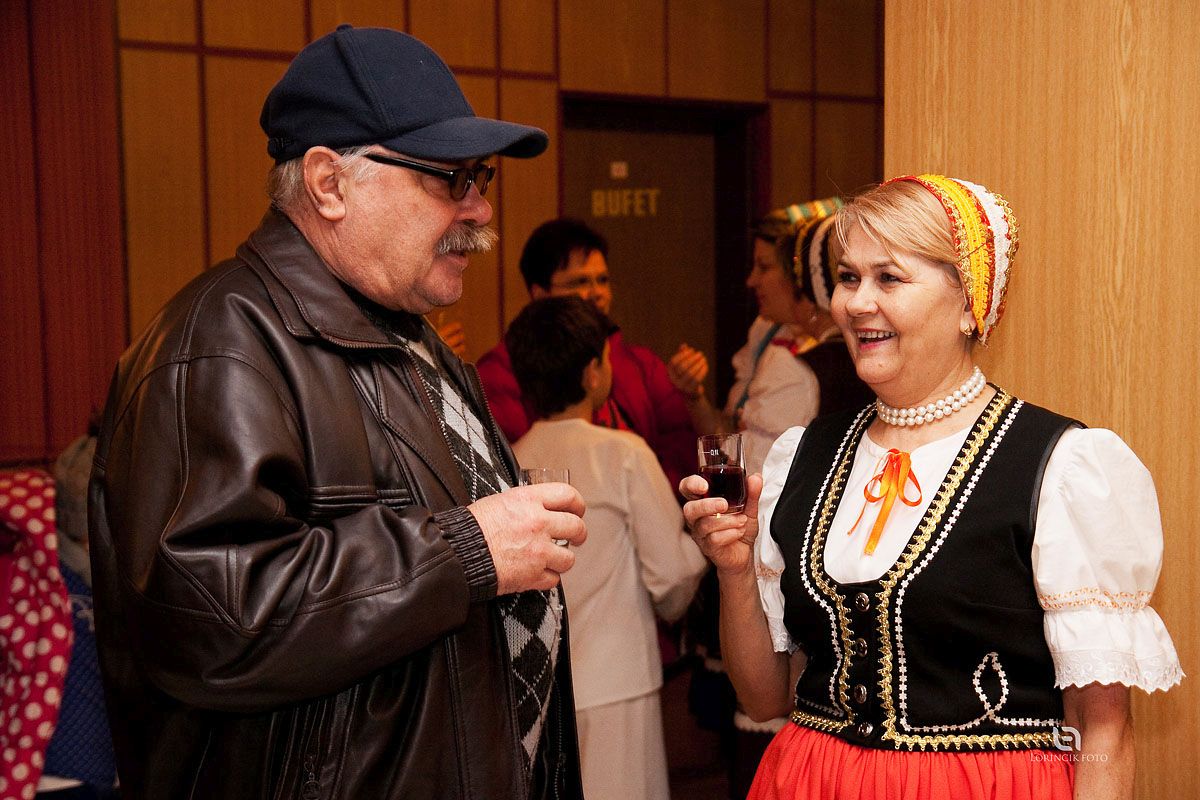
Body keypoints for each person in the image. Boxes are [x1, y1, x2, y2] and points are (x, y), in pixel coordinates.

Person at [88, 26, 588, 800]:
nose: (481, 208)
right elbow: (213, 626)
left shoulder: (409, 336)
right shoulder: (221, 346)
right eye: (451, 178)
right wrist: (465, 551)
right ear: (329, 183)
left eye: (481, 176)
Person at [681, 175, 1183, 800]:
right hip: (810, 781)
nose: (856, 303)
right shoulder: (802, 456)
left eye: (889, 278)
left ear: (971, 303)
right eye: (848, 277)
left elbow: (1103, 732)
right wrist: (733, 568)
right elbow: (764, 698)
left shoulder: (1059, 467)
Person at [506, 296, 707, 800]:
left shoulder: (510, 462)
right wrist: (705, 542)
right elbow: (672, 576)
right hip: (618, 679)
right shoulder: (622, 453)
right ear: (593, 372)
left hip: (533, 684)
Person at [477, 217, 717, 490]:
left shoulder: (640, 363)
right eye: (579, 282)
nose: (596, 293)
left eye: (602, 280)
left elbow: (681, 449)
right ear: (540, 293)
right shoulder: (501, 370)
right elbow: (513, 463)